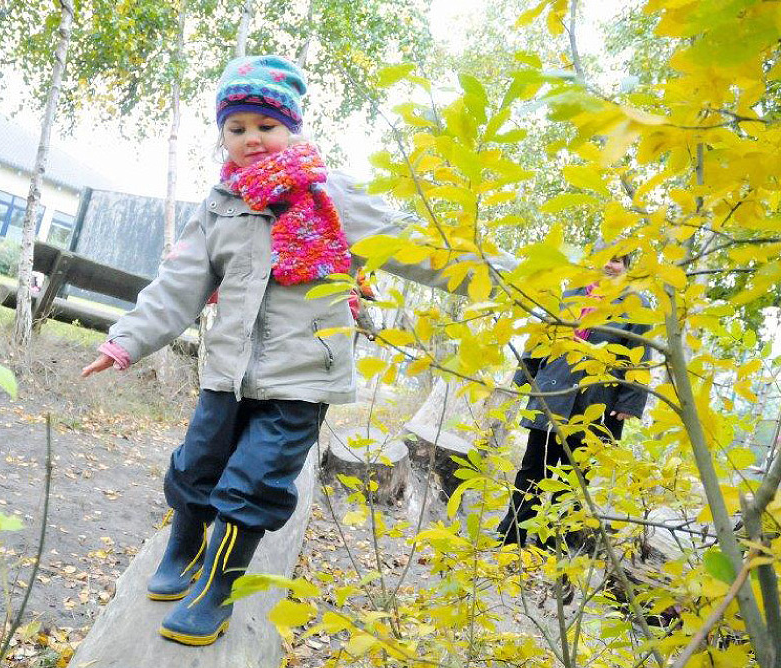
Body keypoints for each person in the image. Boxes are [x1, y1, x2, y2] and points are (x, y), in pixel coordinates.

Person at [81, 55, 511, 646]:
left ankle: (218, 585)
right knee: (199, 463)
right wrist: (126, 340)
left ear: (292, 129)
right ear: (223, 135)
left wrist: (516, 280)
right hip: (226, 374)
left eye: (266, 125)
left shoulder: (329, 195)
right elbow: (179, 283)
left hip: (303, 377)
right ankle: (184, 543)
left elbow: (416, 247)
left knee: (257, 480)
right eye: (237, 128)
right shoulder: (220, 204)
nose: (251, 139)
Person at [495, 248, 651, 549]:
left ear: (626, 265)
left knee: (574, 475)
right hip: (553, 389)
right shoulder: (572, 291)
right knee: (533, 468)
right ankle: (512, 533)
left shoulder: (637, 304)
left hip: (596, 399)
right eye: (604, 258)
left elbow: (640, 355)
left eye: (617, 260)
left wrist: (629, 402)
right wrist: (525, 373)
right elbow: (544, 334)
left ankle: (551, 540)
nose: (609, 265)